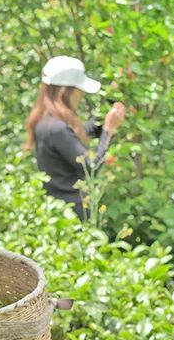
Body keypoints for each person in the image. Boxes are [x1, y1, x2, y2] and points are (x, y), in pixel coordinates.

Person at [25, 56, 126, 220]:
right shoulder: (57, 129)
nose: (80, 96)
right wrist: (109, 130)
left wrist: (112, 98)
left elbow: (84, 132)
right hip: (73, 213)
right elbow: (91, 167)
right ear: (67, 92)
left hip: (60, 210)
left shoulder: (46, 122)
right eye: (79, 91)